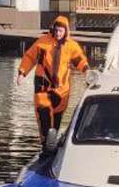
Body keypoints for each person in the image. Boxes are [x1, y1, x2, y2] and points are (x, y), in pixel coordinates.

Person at [16, 16, 89, 151]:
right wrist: (22, 72)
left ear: (66, 31)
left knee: (56, 119)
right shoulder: (42, 42)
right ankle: (45, 145)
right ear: (53, 29)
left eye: (61, 30)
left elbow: (80, 60)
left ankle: (52, 143)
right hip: (42, 86)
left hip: (61, 90)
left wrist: (87, 72)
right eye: (56, 30)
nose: (58, 33)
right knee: (43, 115)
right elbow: (30, 57)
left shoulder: (71, 46)